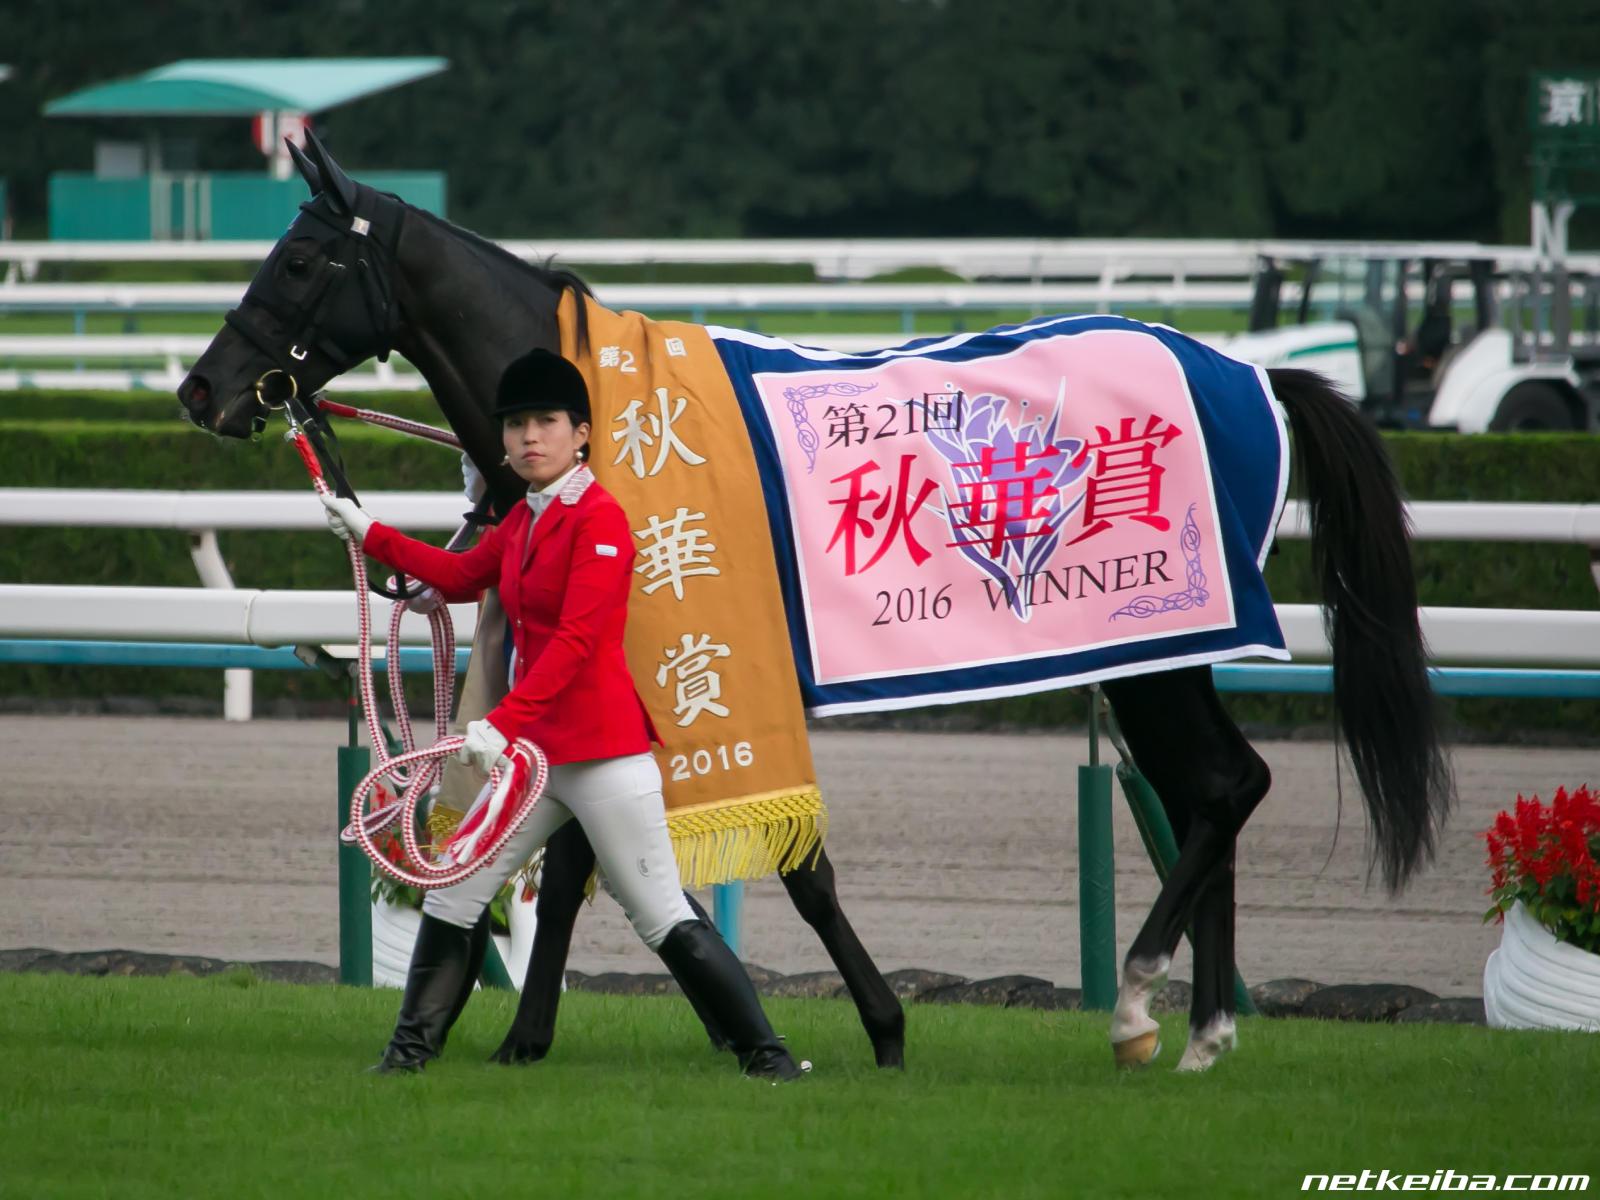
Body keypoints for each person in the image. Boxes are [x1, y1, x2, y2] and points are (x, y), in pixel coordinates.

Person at [321, 347, 803, 1081]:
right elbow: (457, 575)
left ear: (581, 433)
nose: (527, 438)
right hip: (537, 760)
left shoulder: (600, 520)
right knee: (456, 893)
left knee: (659, 914)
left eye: (544, 423)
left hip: (602, 757)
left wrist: (501, 723)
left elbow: (579, 642)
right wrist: (369, 531)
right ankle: (405, 1059)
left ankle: (767, 1058)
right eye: (515, 426)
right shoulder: (522, 521)